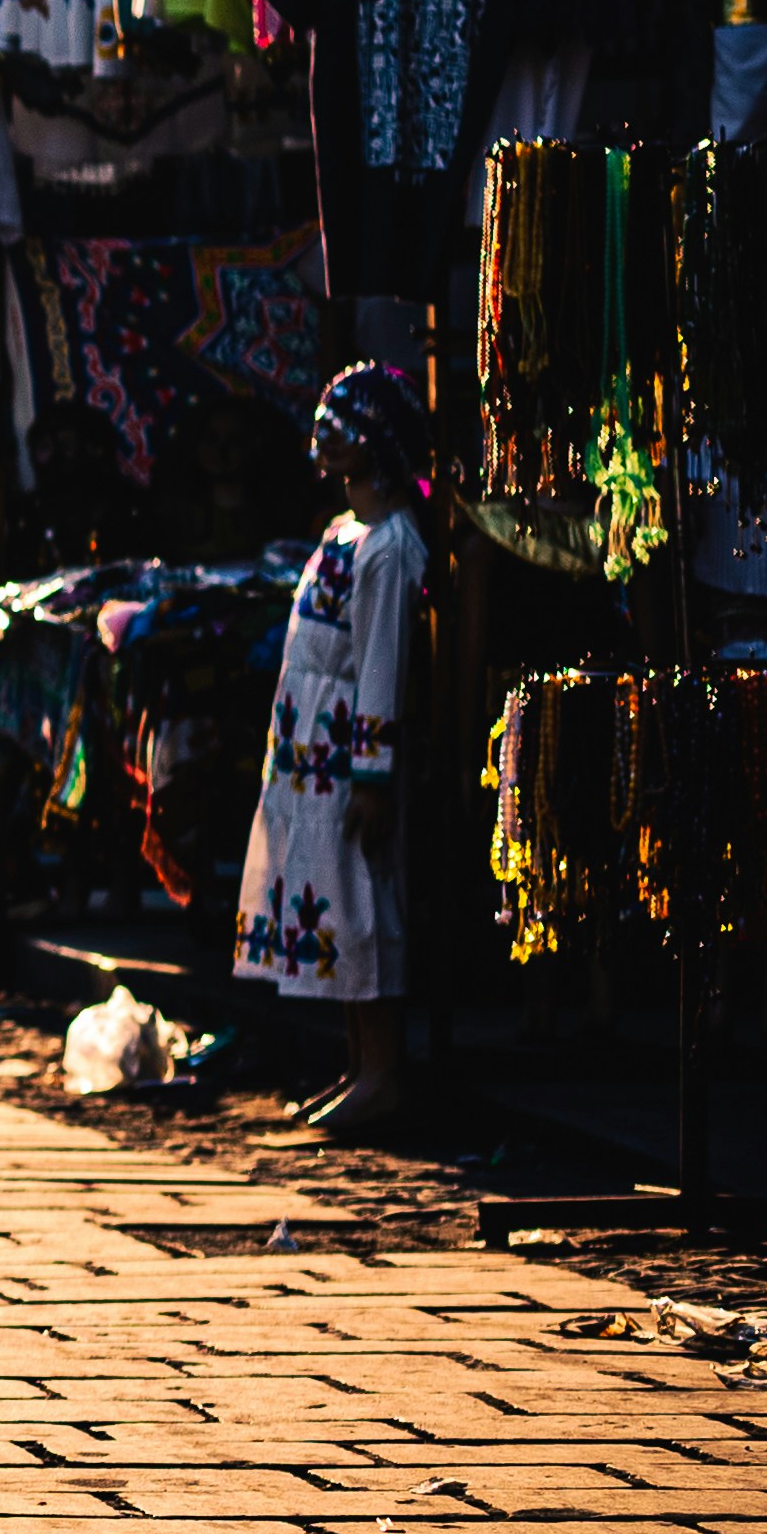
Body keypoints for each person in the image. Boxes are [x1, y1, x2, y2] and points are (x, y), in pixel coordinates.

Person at [233, 362, 434, 1134]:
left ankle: (383, 1071)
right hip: (306, 744)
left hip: (347, 747)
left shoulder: (391, 545)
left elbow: (381, 661)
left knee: (362, 900)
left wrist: (373, 771)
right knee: (329, 897)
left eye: (340, 420)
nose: (323, 433)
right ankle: (356, 1065)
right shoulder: (341, 533)